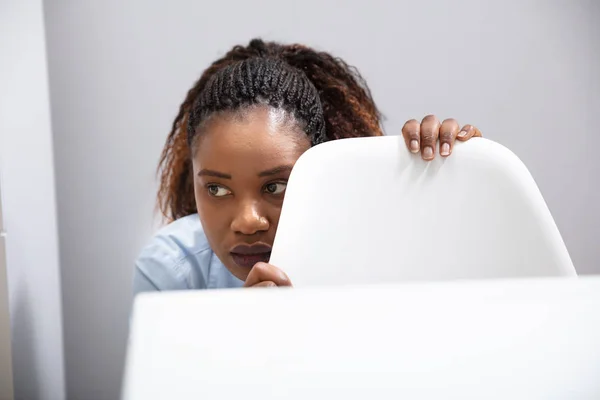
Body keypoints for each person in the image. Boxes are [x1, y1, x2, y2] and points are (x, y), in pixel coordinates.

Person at [133, 38, 482, 293]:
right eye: (216, 189)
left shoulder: (375, 246)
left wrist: (452, 188)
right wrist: (239, 339)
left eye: (276, 186)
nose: (247, 222)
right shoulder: (171, 273)